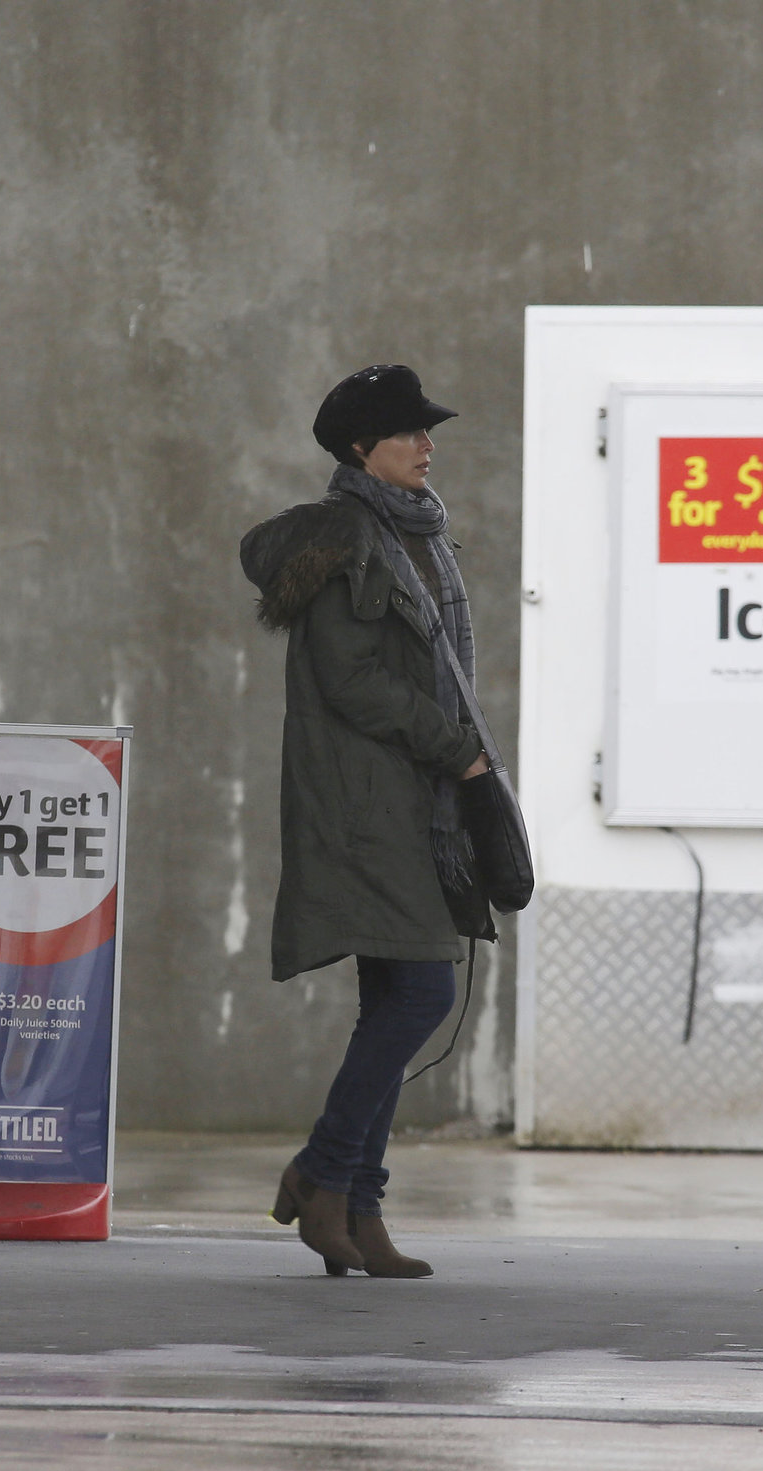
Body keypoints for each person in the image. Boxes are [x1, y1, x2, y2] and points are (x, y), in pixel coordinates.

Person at [238, 364, 496, 1279]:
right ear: (360, 450)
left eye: (428, 431)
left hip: (410, 798)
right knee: (421, 995)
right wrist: (454, 748)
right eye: (407, 433)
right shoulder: (352, 538)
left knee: (394, 997)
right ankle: (321, 1171)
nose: (427, 445)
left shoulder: (415, 531)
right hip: (368, 800)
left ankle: (358, 1207)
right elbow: (351, 679)